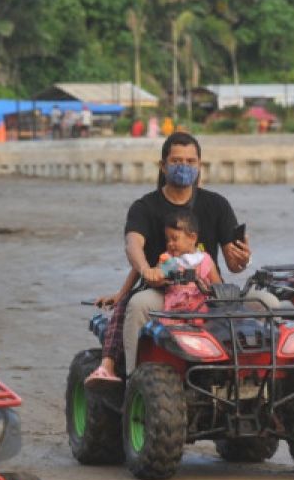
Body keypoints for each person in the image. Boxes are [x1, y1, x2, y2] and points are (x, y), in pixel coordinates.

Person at [93, 131, 273, 378]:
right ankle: (133, 382)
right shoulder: (145, 207)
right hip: (164, 293)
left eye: (190, 161)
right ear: (163, 166)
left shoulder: (216, 204)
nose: (184, 166)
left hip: (210, 292)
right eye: (177, 161)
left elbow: (233, 264)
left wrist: (242, 259)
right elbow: (133, 243)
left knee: (269, 303)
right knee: (137, 304)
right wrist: (147, 269)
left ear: (200, 165)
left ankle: (260, 378)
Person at [85, 209, 223, 386]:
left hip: (199, 312)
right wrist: (154, 274)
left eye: (175, 238)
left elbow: (218, 285)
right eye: (168, 240)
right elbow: (158, 276)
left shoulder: (205, 260)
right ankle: (131, 377)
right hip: (174, 312)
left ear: (192, 238)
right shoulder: (168, 261)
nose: (170, 244)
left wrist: (213, 290)